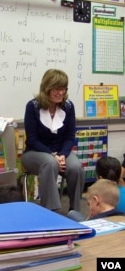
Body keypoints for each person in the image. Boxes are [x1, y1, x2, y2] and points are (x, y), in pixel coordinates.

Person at [21, 69, 85, 211]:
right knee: (50, 163)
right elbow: (32, 139)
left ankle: (75, 211)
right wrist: (53, 155)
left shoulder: (68, 106)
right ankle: (52, 211)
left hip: (61, 153)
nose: (61, 93)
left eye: (63, 89)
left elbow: (69, 136)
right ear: (46, 88)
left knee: (77, 169)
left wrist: (62, 155)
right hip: (34, 153)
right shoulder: (32, 106)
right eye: (56, 89)